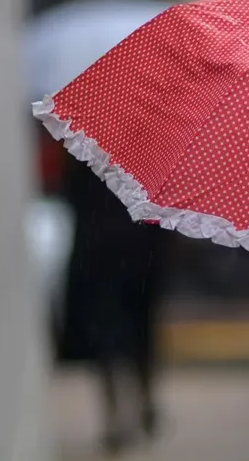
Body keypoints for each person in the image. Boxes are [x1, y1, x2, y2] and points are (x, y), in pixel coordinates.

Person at [56, 157, 164, 455]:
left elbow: (68, 191)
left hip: (102, 248)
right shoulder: (144, 145)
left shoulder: (84, 141)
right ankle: (141, 402)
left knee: (111, 333)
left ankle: (120, 413)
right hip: (138, 249)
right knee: (136, 329)